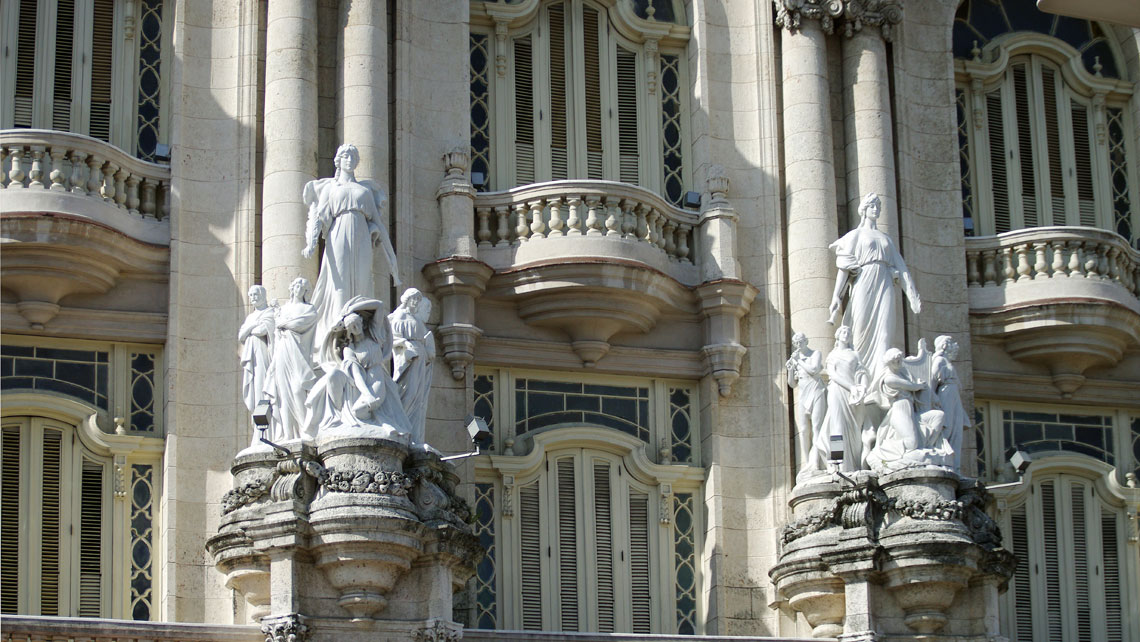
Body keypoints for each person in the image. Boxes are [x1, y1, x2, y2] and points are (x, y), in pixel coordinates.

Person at [302, 144, 400, 355]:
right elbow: (319, 216)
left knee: (362, 280)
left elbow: (379, 224)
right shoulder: (331, 188)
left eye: (353, 156)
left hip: (361, 238)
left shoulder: (364, 191)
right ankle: (338, 333)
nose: (349, 159)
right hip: (338, 235)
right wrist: (311, 243)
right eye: (345, 156)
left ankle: (360, 333)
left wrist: (392, 262)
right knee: (339, 280)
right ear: (338, 160)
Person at [828, 193, 921, 385]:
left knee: (885, 330)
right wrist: (837, 296)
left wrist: (912, 295)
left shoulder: (886, 238)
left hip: (884, 282)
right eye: (872, 206)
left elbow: (901, 268)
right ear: (864, 209)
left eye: (878, 206)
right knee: (860, 328)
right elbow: (844, 267)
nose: (876, 209)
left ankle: (881, 378)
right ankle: (861, 379)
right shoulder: (855, 236)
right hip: (863, 282)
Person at [306, 297, 412, 439]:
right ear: (348, 330)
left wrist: (350, 311)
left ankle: (385, 423)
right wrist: (366, 393)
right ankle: (343, 418)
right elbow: (356, 375)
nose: (355, 327)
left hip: (377, 379)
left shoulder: (375, 336)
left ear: (362, 322)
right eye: (351, 326)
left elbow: (379, 305)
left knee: (364, 409)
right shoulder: (350, 349)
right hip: (361, 385)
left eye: (357, 323)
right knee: (357, 409)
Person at [865, 349, 947, 472]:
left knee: (938, 416)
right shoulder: (889, 379)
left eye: (900, 360)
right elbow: (913, 386)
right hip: (899, 410)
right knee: (911, 443)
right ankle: (881, 452)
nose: (898, 362)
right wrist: (918, 385)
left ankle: (926, 447)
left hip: (911, 411)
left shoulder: (903, 372)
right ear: (889, 362)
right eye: (895, 361)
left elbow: (916, 384)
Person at [263, 278, 318, 443]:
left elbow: (302, 323)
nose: (299, 289)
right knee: (283, 394)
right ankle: (287, 434)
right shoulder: (284, 309)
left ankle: (304, 429)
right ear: (291, 288)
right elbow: (277, 327)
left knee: (298, 388)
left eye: (303, 287)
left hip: (298, 353)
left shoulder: (309, 309)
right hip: (282, 352)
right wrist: (282, 322)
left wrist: (283, 323)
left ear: (306, 291)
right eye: (296, 286)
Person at [388, 289, 435, 448]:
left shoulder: (417, 320)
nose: (415, 302)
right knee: (407, 392)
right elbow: (392, 339)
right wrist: (406, 344)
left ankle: (412, 433)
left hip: (420, 359)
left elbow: (424, 339)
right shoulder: (400, 316)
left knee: (418, 396)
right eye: (413, 299)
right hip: (408, 358)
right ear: (407, 300)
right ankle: (400, 426)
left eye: (417, 299)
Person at [823, 325, 870, 471]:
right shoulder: (832, 355)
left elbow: (862, 372)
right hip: (837, 391)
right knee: (837, 427)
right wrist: (851, 387)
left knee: (854, 429)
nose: (846, 334)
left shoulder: (855, 355)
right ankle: (838, 462)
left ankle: (854, 464)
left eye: (848, 332)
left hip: (854, 395)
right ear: (837, 335)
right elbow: (833, 375)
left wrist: (862, 387)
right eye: (843, 331)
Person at [786, 332, 828, 482]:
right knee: (804, 430)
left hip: (816, 391)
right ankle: (807, 462)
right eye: (796, 342)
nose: (798, 344)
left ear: (806, 341)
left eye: (801, 341)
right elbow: (792, 384)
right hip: (803, 394)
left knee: (817, 427)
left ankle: (816, 462)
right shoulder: (796, 359)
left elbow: (814, 370)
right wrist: (790, 369)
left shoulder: (815, 354)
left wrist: (799, 361)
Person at [238, 285, 275, 448]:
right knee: (255, 393)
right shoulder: (251, 317)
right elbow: (241, 335)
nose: (253, 298)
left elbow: (263, 331)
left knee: (264, 389)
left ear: (263, 295)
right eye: (250, 295)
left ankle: (270, 430)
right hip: (252, 359)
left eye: (256, 294)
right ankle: (258, 430)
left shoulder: (269, 313)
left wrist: (251, 329)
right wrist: (253, 328)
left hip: (263, 356)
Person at [930, 335, 967, 472]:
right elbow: (932, 382)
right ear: (945, 345)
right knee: (947, 427)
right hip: (945, 395)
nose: (956, 346)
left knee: (957, 430)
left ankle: (955, 466)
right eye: (952, 343)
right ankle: (945, 461)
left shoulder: (947, 361)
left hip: (954, 396)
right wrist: (934, 400)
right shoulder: (939, 360)